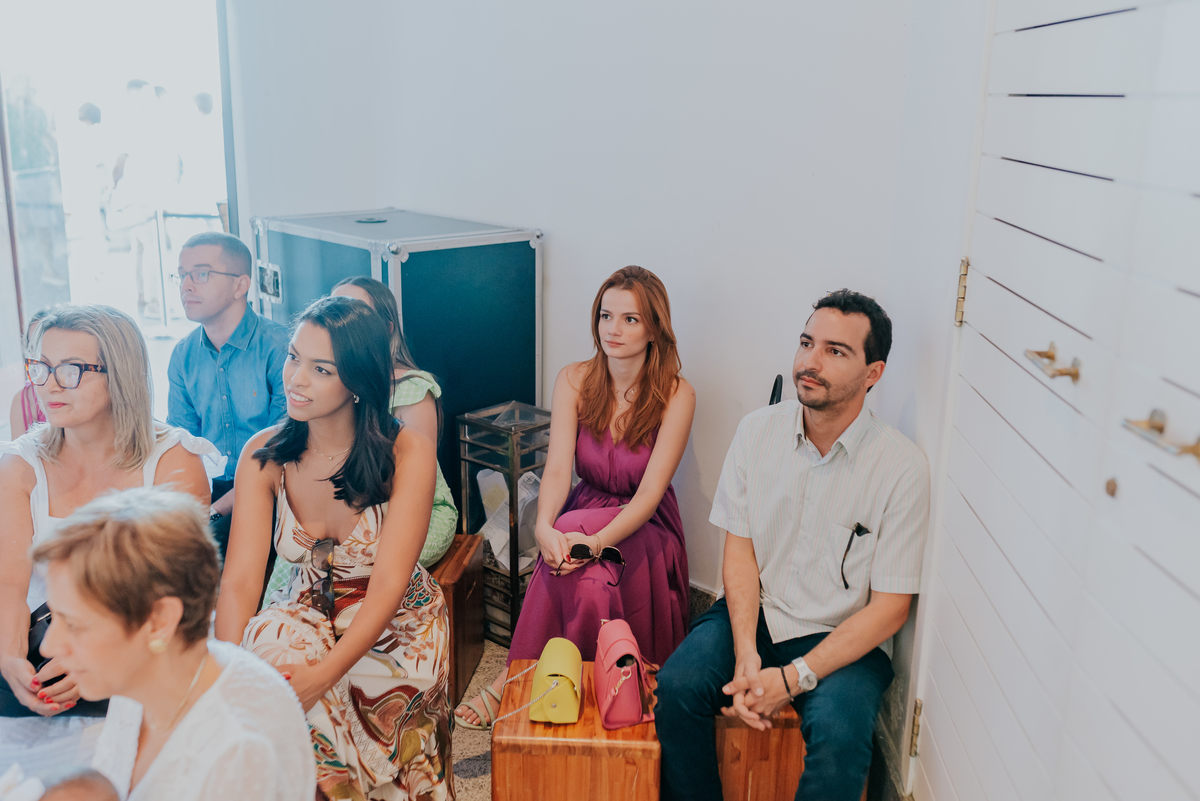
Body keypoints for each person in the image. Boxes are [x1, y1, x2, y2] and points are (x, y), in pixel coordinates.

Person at [655, 290, 930, 801]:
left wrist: (793, 678)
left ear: (873, 373)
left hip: (843, 635)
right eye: (807, 343)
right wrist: (743, 652)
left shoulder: (902, 469)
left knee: (842, 738)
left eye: (835, 351)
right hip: (757, 615)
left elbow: (891, 609)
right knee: (677, 688)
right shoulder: (757, 433)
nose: (810, 361)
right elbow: (738, 553)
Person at [214, 296, 452, 801]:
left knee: (312, 690)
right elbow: (239, 581)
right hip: (307, 611)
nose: (296, 378)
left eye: (320, 369)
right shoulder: (264, 455)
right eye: (293, 357)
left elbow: (389, 583)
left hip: (397, 624)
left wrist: (324, 675)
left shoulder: (407, 450)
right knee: (269, 648)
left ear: (358, 382)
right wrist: (227, 675)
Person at [456, 265, 695, 730]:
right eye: (606, 316)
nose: (614, 329)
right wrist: (544, 526)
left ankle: (514, 678)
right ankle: (561, 683)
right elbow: (559, 470)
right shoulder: (574, 379)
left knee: (573, 541)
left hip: (644, 523)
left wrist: (596, 540)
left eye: (630, 319)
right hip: (583, 508)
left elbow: (648, 495)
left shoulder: (676, 394)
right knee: (578, 566)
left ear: (654, 328)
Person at [0, 304, 220, 721]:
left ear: (118, 373)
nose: (49, 386)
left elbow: (174, 592)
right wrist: (11, 662)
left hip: (141, 649)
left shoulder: (173, 461)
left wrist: (93, 657)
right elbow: (8, 584)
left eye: (71, 370)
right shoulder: (19, 465)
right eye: (41, 367)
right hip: (40, 646)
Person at [33, 488, 314, 800]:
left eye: (73, 623)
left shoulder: (238, 752)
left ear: (159, 620)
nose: (48, 647)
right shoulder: (143, 676)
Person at [166, 231, 289, 560]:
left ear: (240, 285)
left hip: (273, 486)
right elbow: (180, 443)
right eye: (182, 275)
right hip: (207, 490)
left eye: (201, 274)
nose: (186, 285)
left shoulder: (281, 348)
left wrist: (212, 513)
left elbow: (283, 448)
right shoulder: (183, 354)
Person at [331, 275, 457, 567]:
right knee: (296, 566)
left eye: (357, 313)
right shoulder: (327, 383)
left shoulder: (412, 388)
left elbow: (415, 484)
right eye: (336, 310)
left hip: (410, 510)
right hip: (340, 508)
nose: (343, 323)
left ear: (386, 329)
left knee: (353, 566)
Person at [8, 308, 51, 438]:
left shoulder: (77, 391)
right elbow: (17, 455)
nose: (38, 354)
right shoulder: (22, 400)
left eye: (44, 343)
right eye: (33, 346)